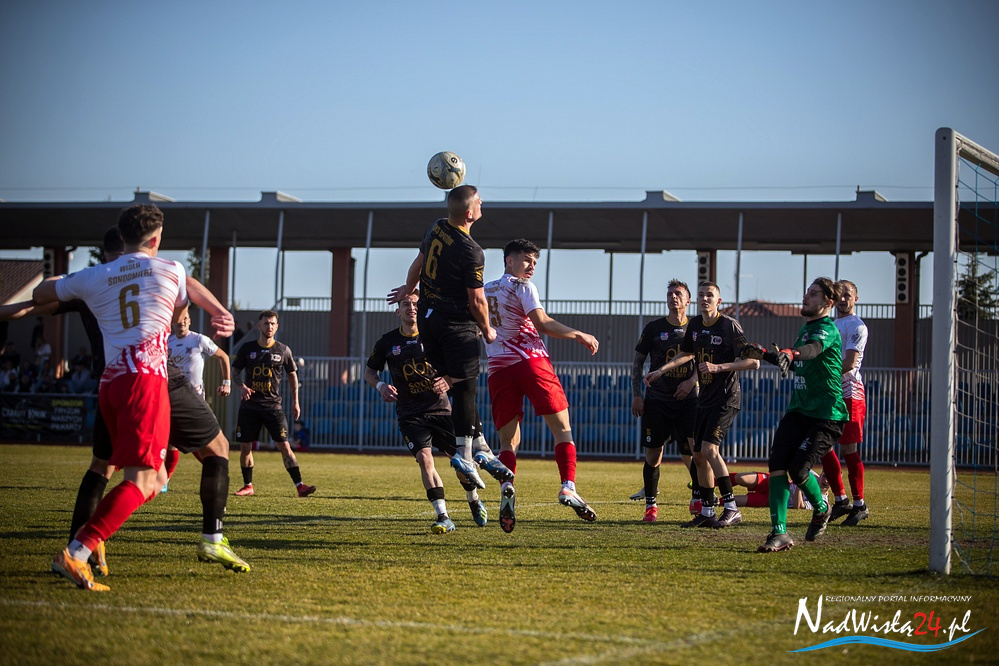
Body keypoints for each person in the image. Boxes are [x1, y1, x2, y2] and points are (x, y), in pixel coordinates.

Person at [33, 204, 187, 591]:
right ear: (156, 239)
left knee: (157, 475)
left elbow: (40, 292)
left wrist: (67, 278)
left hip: (111, 382)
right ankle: (78, 550)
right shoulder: (169, 269)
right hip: (145, 380)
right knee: (145, 479)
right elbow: (182, 304)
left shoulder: (95, 275)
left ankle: (89, 539)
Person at [387, 184, 513, 489]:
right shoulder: (472, 250)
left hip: (428, 323)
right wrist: (487, 328)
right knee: (467, 388)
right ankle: (465, 454)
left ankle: (481, 446)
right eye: (479, 201)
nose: (483, 203)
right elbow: (477, 300)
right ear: (469, 213)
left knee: (456, 386)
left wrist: (408, 289)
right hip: (456, 326)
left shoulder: (437, 227)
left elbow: (417, 265)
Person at [482, 239, 600, 532]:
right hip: (531, 362)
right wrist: (579, 334)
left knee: (508, 441)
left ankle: (507, 485)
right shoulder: (523, 287)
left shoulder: (484, 290)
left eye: (534, 262)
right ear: (509, 260)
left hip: (498, 368)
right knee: (562, 429)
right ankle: (568, 486)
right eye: (526, 259)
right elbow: (543, 323)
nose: (531, 266)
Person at [365, 291, 488, 533]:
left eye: (415, 304)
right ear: (397, 311)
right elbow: (369, 372)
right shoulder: (387, 342)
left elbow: (460, 366)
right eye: (406, 304)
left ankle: (473, 499)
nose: (411, 308)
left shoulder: (435, 337)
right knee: (424, 459)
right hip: (410, 414)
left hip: (441, 411)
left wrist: (448, 380)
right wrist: (380, 386)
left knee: (462, 464)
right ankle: (443, 516)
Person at [644, 281, 759, 529]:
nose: (705, 299)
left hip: (725, 397)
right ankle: (707, 511)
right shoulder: (695, 325)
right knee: (698, 455)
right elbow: (686, 354)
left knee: (709, 449)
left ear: (719, 301)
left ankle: (731, 508)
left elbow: (753, 362)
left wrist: (719, 367)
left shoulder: (729, 325)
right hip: (704, 399)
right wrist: (661, 370)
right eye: (702, 295)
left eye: (710, 295)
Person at [745, 277, 848, 553]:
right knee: (778, 464)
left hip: (826, 414)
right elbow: (797, 364)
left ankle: (822, 508)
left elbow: (811, 351)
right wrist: (765, 354)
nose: (806, 296)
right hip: (799, 410)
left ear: (828, 302)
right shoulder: (807, 329)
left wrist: (792, 352)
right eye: (807, 292)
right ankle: (779, 532)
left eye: (814, 293)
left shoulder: (826, 329)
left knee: (799, 469)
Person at [629, 279, 698, 522]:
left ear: (688, 300)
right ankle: (651, 505)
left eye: (678, 293)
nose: (673, 297)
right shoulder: (654, 328)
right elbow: (637, 363)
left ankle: (698, 498)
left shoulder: (696, 327)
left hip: (688, 400)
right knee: (653, 455)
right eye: (670, 294)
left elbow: (703, 361)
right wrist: (637, 394)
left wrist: (691, 382)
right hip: (657, 400)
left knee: (695, 452)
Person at [231, 310, 315, 497]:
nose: (269, 327)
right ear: (259, 326)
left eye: (272, 324)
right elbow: (235, 372)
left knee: (284, 446)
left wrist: (296, 402)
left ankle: (300, 486)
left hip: (273, 407)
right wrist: (241, 387)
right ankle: (248, 485)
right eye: (266, 323)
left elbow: (292, 376)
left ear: (277, 327)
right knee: (245, 447)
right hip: (249, 407)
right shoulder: (247, 348)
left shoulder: (283, 350)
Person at [161, 310, 232, 492]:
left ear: (190, 321)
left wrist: (226, 383)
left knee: (201, 442)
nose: (182, 322)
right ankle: (165, 481)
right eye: (179, 320)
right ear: (173, 322)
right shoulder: (167, 342)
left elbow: (223, 356)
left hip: (195, 398)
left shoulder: (199, 339)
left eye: (185, 319)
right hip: (173, 397)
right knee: (171, 440)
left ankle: (218, 471)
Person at [823, 279, 870, 526]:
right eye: (839, 295)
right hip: (830, 393)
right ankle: (841, 500)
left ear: (856, 299)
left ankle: (860, 504)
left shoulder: (857, 326)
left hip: (850, 392)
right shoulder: (829, 325)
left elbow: (850, 363)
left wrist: (822, 376)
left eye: (847, 295)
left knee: (849, 449)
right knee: (823, 446)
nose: (843, 299)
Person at [727, 470, 828, 509]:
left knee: (734, 501)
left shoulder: (822, 502)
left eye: (829, 479)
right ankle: (717, 482)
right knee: (740, 478)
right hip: (776, 482)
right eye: (824, 476)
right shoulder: (812, 474)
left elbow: (798, 506)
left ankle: (718, 501)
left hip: (774, 499)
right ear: (821, 474)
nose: (826, 481)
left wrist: (800, 486)